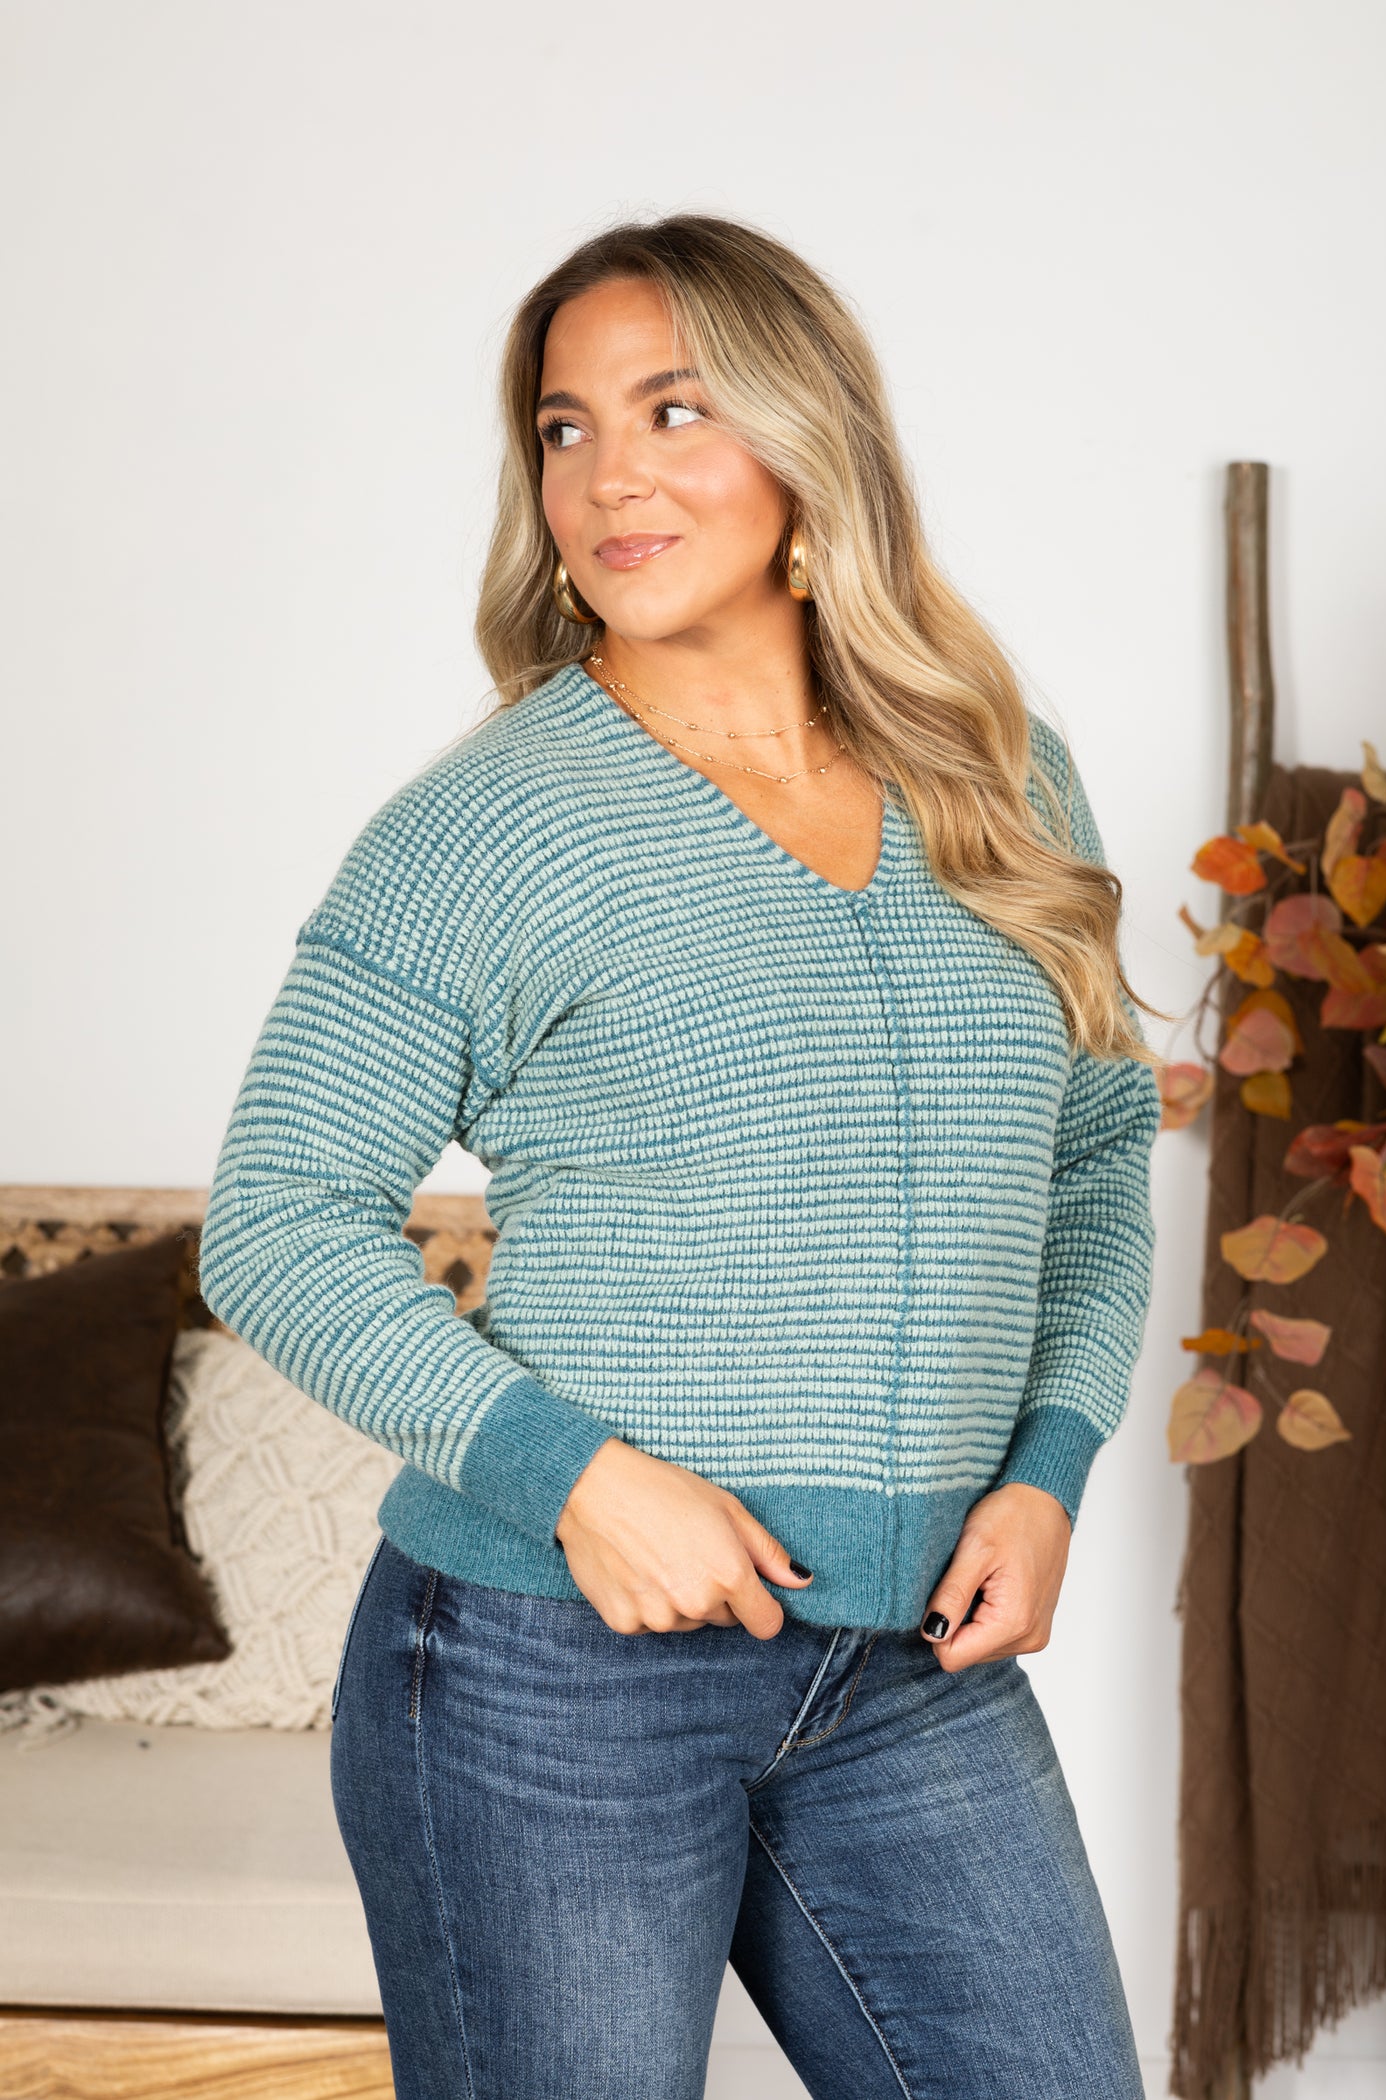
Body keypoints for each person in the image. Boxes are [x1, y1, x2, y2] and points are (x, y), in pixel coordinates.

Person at [200, 212, 1164, 2100]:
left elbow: (1096, 1152)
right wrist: (578, 1482)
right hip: (544, 1675)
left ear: (813, 444)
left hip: (907, 1670)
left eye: (674, 408)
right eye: (564, 429)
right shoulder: (488, 828)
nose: (608, 476)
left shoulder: (999, 777)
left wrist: (1049, 1470)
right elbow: (280, 1222)